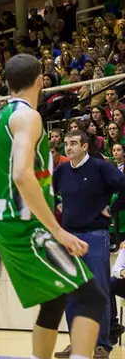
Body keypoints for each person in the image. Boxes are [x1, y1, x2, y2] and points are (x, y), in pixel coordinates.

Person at [0, 54, 107, 359]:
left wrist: (8, 212)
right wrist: (58, 232)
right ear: (40, 81)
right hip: (26, 226)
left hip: (4, 223)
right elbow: (22, 175)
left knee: (54, 300)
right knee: (92, 299)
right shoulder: (28, 116)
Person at [52, 129, 125, 358]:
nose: (68, 147)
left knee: (99, 292)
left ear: (84, 146)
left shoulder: (100, 167)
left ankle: (102, 344)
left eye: (73, 143)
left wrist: (112, 210)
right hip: (70, 237)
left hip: (96, 236)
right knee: (72, 291)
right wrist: (58, 207)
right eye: (66, 143)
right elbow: (50, 193)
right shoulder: (61, 171)